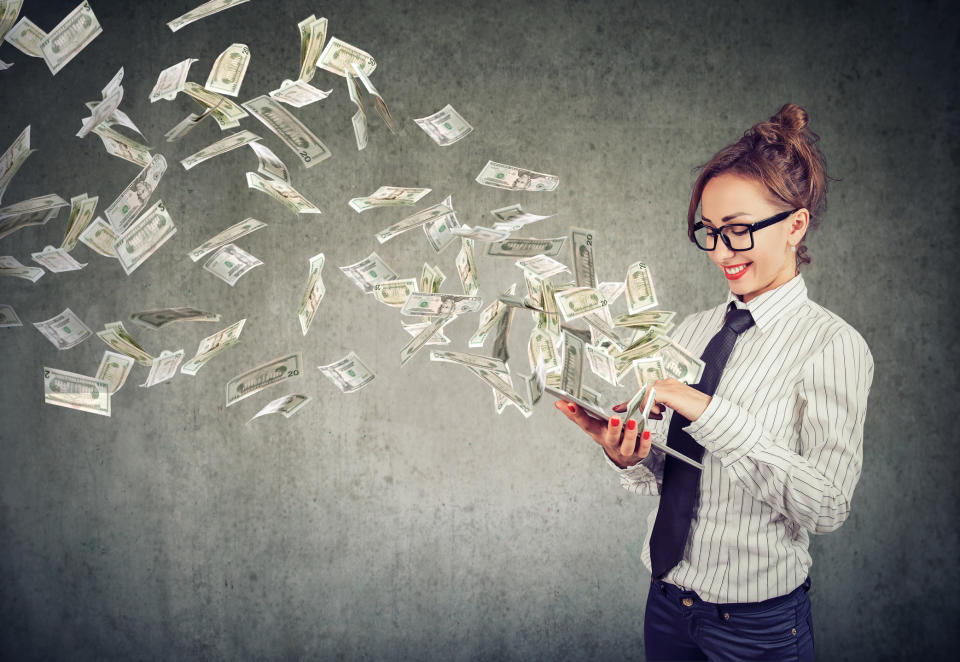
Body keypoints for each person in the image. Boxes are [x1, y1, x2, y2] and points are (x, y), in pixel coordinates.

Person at [555, 103, 874, 661]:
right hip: (667, 603)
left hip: (757, 627)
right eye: (710, 232)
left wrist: (707, 410)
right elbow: (686, 475)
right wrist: (630, 454)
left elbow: (826, 506)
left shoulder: (834, 346)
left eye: (740, 231)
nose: (722, 253)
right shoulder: (692, 330)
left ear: (796, 224)